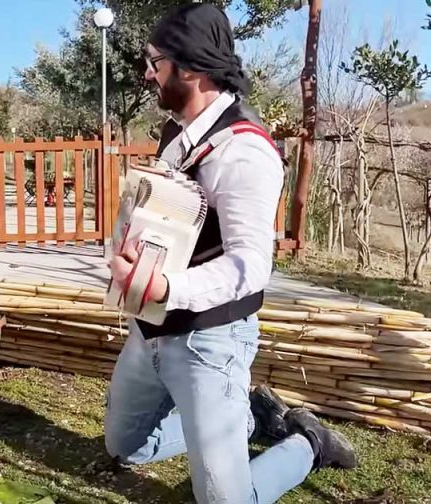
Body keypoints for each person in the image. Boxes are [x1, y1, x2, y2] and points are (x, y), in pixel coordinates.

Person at [104, 4, 357, 503]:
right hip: (150, 328)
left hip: (209, 341)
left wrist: (167, 288)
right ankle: (248, 418)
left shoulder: (245, 152)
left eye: (155, 62)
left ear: (191, 68)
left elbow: (250, 266)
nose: (147, 73)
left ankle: (307, 442)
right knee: (124, 447)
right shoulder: (180, 132)